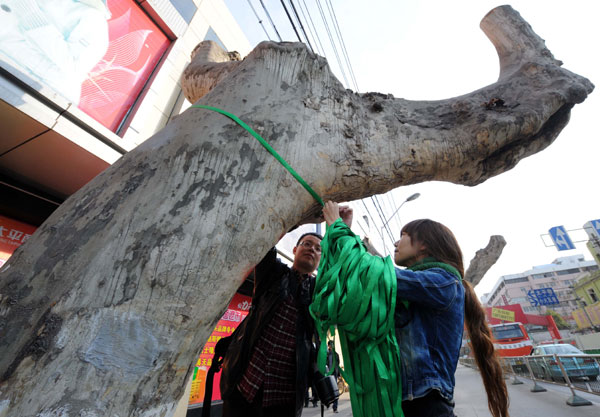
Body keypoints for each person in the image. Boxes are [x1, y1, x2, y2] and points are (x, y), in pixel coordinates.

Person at [320, 201, 508, 417]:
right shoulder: (420, 286)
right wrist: (344, 230)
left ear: (424, 244)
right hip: (409, 402)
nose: (396, 242)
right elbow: (370, 274)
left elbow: (375, 274)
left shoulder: (444, 281)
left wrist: (337, 226)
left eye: (404, 236)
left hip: (426, 405)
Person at [220, 232, 323, 417]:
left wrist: (341, 228)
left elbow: (340, 276)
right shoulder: (273, 273)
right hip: (244, 388)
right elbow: (265, 240)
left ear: (322, 260)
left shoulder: (318, 294)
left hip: (284, 399)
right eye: (306, 244)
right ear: (295, 249)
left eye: (318, 249)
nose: (311, 249)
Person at [326, 340, 340, 413]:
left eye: (332, 345)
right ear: (328, 346)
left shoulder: (336, 355)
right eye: (330, 345)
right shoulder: (326, 354)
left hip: (334, 374)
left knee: (335, 391)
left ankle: (335, 407)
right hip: (328, 375)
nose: (331, 346)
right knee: (328, 391)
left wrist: (339, 374)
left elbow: (338, 365)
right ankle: (328, 403)